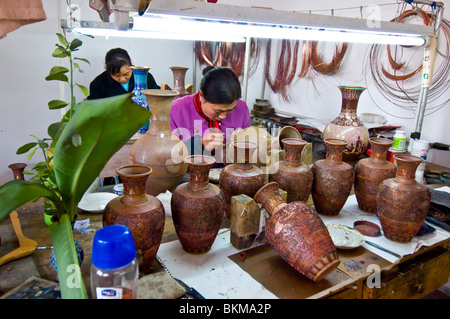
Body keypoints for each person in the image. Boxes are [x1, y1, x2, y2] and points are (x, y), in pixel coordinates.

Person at [170, 67, 251, 165]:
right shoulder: (177, 110)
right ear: (201, 96)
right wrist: (200, 145)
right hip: (191, 174)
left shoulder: (241, 108)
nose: (223, 116)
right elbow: (169, 157)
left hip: (230, 173)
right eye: (218, 111)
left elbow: (249, 154)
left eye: (230, 110)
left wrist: (244, 141)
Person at [87, 48, 160, 100]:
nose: (122, 79)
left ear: (131, 66)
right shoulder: (98, 84)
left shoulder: (145, 78)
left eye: (126, 74)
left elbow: (156, 100)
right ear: (108, 71)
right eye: (116, 76)